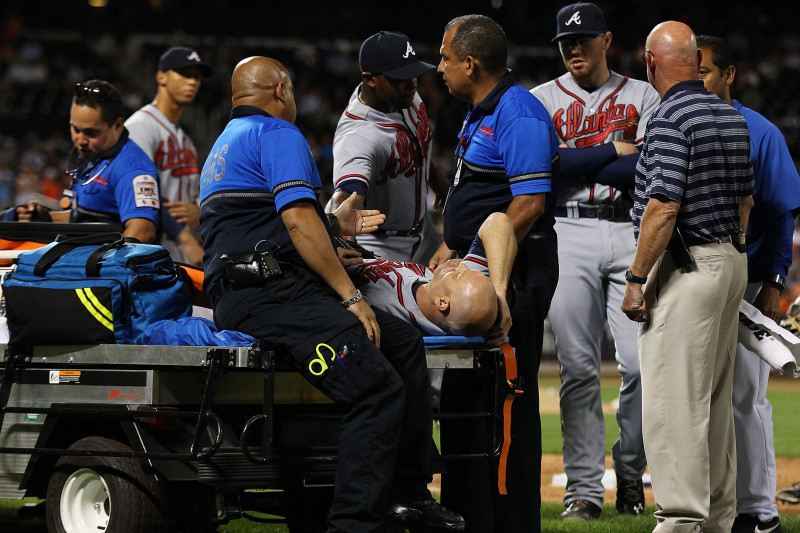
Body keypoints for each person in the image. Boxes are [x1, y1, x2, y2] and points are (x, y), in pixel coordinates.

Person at [198, 55, 464, 533]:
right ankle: (354, 524)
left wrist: (329, 235)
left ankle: (406, 494)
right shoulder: (276, 133)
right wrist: (350, 296)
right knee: (375, 390)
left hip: (253, 291)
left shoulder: (223, 142)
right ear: (281, 91)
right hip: (273, 296)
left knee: (401, 343)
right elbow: (298, 222)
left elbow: (271, 228)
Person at [622, 21, 754, 533]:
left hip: (688, 266)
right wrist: (729, 259)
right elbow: (745, 200)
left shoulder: (670, 115)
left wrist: (637, 278)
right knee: (714, 404)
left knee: (672, 402)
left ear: (650, 62)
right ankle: (718, 520)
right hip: (728, 261)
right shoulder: (729, 114)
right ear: (696, 60)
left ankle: (679, 521)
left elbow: (662, 206)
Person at [530, 2, 660, 520]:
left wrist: (582, 157)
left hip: (632, 229)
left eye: (584, 40)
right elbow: (547, 167)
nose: (574, 49)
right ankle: (583, 490)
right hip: (567, 228)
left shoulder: (642, 94)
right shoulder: (541, 100)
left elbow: (647, 167)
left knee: (643, 365)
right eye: (566, 42)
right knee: (578, 368)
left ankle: (630, 471)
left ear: (607, 40)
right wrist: (614, 149)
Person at [434, 14, 560, 533]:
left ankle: (510, 519)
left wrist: (479, 262)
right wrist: (450, 247)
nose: (438, 67)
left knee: (506, 397)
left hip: (514, 269)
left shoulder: (519, 112)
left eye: (443, 57)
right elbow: (480, 195)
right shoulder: (479, 110)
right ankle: (470, 513)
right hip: (478, 266)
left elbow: (529, 202)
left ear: (470, 62)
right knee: (465, 393)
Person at [698, 34, 800, 533]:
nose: (697, 82)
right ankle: (708, 506)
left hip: (748, 280)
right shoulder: (675, 125)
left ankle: (759, 511)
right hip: (691, 280)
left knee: (744, 396)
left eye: (706, 73)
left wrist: (775, 282)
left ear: (729, 75)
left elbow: (781, 214)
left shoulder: (760, 133)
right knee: (696, 399)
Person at [326, 31, 447, 264]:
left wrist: (442, 187)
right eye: (400, 76)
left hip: (425, 232)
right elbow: (345, 198)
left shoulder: (403, 96)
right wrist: (340, 232)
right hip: (381, 245)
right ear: (370, 79)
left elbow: (417, 150)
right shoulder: (358, 135)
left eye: (413, 72)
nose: (412, 82)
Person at [4, 80, 160, 244]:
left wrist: (101, 264)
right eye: (75, 129)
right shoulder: (94, 155)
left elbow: (143, 232)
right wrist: (44, 218)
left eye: (91, 132)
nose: (80, 140)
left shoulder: (132, 170)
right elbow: (85, 219)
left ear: (118, 126)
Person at [350, 212, 515, 343]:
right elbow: (499, 222)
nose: (461, 265)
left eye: (459, 276)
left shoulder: (388, 310)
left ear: (442, 302)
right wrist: (500, 295)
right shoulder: (456, 293)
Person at [125, 46, 214, 266]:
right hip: (155, 246)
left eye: (197, 77)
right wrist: (185, 239)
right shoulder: (140, 127)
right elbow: (140, 193)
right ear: (161, 77)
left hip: (184, 247)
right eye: (184, 74)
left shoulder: (185, 139)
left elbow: (194, 195)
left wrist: (198, 211)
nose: (193, 82)